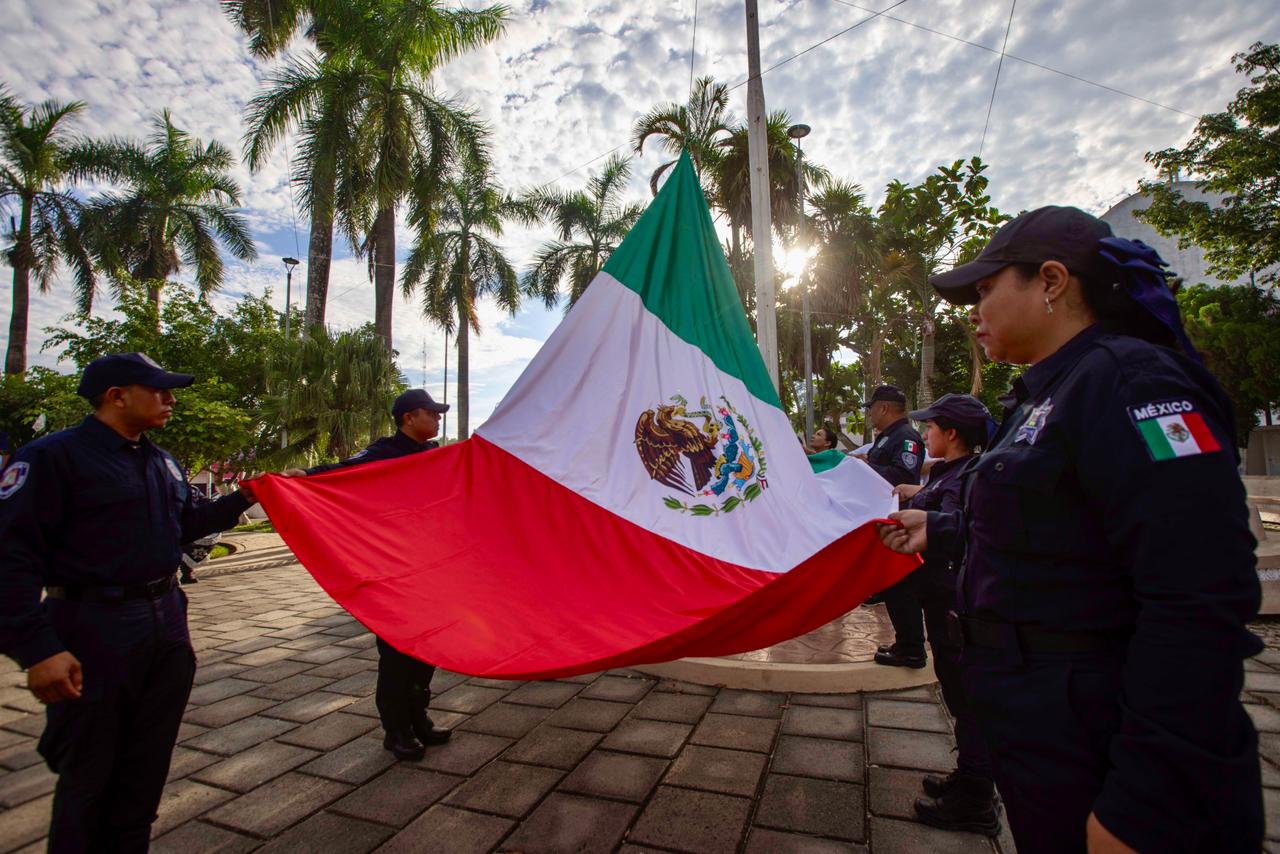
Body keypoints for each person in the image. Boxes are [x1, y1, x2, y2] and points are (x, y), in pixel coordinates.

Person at [878, 206, 1263, 853]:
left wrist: (1148, 799)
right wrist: (939, 527)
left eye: (985, 290)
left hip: (1099, 733)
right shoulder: (1050, 393)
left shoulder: (1136, 382)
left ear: (1051, 281)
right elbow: (1052, 524)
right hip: (1044, 725)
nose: (974, 312)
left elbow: (1199, 597)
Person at [0, 353, 281, 852]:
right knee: (88, 777)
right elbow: (10, 557)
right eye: (160, 390)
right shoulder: (52, 457)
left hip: (166, 624)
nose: (171, 400)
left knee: (144, 773)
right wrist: (36, 648)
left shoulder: (161, 460)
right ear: (116, 396)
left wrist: (246, 495)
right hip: (92, 627)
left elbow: (189, 525)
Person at [307, 388, 452, 761]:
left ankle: (419, 717)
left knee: (426, 650)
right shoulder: (382, 453)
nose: (437, 419)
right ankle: (396, 730)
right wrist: (303, 477)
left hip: (430, 568)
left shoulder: (433, 455)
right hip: (395, 570)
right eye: (431, 413)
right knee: (397, 654)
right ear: (408, 418)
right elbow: (339, 472)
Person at [890, 393, 1001, 836]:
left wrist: (927, 520)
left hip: (955, 603)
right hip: (940, 602)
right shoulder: (948, 471)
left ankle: (976, 799)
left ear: (951, 434)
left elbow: (960, 530)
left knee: (968, 699)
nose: (924, 434)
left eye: (931, 427)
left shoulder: (965, 479)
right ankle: (971, 777)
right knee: (958, 696)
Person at [859, 385, 928, 668]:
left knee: (902, 588)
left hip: (900, 522)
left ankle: (911, 649)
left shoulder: (906, 437)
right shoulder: (888, 437)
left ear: (884, 408)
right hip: (888, 521)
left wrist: (862, 469)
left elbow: (903, 474)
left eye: (871, 407)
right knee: (893, 587)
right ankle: (906, 643)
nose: (870, 414)